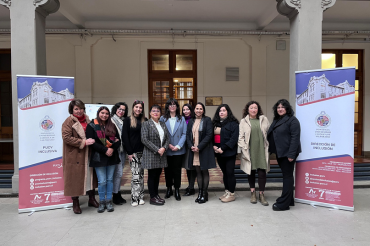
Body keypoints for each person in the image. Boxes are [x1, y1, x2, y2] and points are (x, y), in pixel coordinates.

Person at [62, 99, 99, 214]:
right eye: (76, 109)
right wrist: (83, 142)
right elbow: (66, 138)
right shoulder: (68, 121)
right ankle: (75, 202)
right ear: (72, 110)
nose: (79, 111)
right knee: (75, 178)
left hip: (89, 154)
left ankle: (91, 199)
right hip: (75, 156)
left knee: (90, 176)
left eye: (81, 108)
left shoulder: (89, 120)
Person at [267, 99, 301, 211]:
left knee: (287, 177)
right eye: (278, 107)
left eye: (282, 107)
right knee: (287, 175)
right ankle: (289, 200)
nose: (280, 109)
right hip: (280, 152)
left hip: (288, 153)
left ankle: (284, 204)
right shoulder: (277, 120)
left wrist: (291, 154)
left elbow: (295, 138)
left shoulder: (293, 120)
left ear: (287, 108)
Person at [86, 106, 121, 213]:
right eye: (102, 113)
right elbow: (92, 143)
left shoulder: (112, 125)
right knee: (102, 181)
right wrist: (105, 149)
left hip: (112, 157)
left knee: (110, 180)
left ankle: (109, 201)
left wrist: (111, 149)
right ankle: (102, 202)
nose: (104, 115)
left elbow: (118, 140)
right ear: (98, 113)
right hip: (99, 157)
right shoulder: (91, 126)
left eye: (106, 113)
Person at [238, 101, 270, 206]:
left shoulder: (264, 119)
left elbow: (269, 134)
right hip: (250, 150)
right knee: (251, 172)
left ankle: (261, 194)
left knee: (262, 173)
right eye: (251, 108)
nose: (253, 110)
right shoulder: (243, 121)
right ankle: (253, 193)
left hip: (262, 150)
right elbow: (241, 137)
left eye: (255, 108)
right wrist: (244, 148)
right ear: (248, 109)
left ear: (258, 109)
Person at [186, 102, 216, 204]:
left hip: (204, 150)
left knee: (204, 171)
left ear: (203, 110)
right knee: (198, 172)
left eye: (200, 109)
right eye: (197, 108)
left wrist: (199, 147)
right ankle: (200, 193)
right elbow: (188, 135)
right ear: (194, 110)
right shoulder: (191, 121)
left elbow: (209, 135)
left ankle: (204, 193)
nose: (198, 110)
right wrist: (191, 146)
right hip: (194, 150)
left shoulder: (207, 120)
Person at [141, 105, 170, 205]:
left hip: (161, 154)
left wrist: (164, 148)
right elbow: (144, 139)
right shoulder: (146, 124)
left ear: (160, 113)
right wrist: (158, 149)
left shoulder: (162, 124)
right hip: (151, 154)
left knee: (158, 176)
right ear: (150, 113)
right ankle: (152, 197)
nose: (156, 112)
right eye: (153, 111)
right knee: (152, 176)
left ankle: (156, 194)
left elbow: (167, 138)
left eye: (158, 111)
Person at [160, 99, 187, 201]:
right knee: (167, 171)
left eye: (174, 105)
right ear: (167, 107)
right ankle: (168, 189)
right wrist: (169, 145)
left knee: (177, 171)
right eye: (170, 105)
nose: (172, 106)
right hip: (167, 149)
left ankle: (176, 189)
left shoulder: (182, 119)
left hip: (178, 150)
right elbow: (161, 134)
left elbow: (184, 133)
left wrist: (178, 146)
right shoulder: (163, 118)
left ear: (177, 106)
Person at [212, 104, 239, 203]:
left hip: (229, 153)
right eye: (220, 111)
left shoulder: (234, 123)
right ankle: (227, 191)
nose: (221, 112)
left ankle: (232, 194)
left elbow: (233, 139)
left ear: (228, 112)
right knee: (224, 173)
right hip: (218, 153)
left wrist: (223, 148)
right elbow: (212, 137)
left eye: (224, 110)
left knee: (230, 173)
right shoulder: (215, 123)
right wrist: (214, 146)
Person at [122, 100, 146, 207]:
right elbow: (125, 137)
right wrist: (129, 152)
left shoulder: (144, 120)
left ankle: (140, 196)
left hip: (143, 152)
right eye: (136, 107)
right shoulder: (127, 120)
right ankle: (134, 198)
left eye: (140, 108)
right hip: (133, 152)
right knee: (135, 175)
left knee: (141, 175)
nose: (138, 109)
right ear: (133, 108)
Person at [110, 102, 129, 205]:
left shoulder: (123, 121)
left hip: (122, 150)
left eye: (123, 110)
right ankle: (115, 195)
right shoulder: (111, 120)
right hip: (115, 151)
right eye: (120, 109)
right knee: (117, 174)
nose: (121, 111)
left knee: (118, 174)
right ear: (115, 109)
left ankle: (117, 193)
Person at [182, 104, 197, 196]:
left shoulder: (194, 120)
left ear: (191, 110)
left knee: (192, 167)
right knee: (187, 167)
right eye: (184, 110)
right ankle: (190, 186)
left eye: (187, 109)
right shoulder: (181, 120)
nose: (186, 111)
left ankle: (191, 188)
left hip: (192, 147)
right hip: (184, 147)